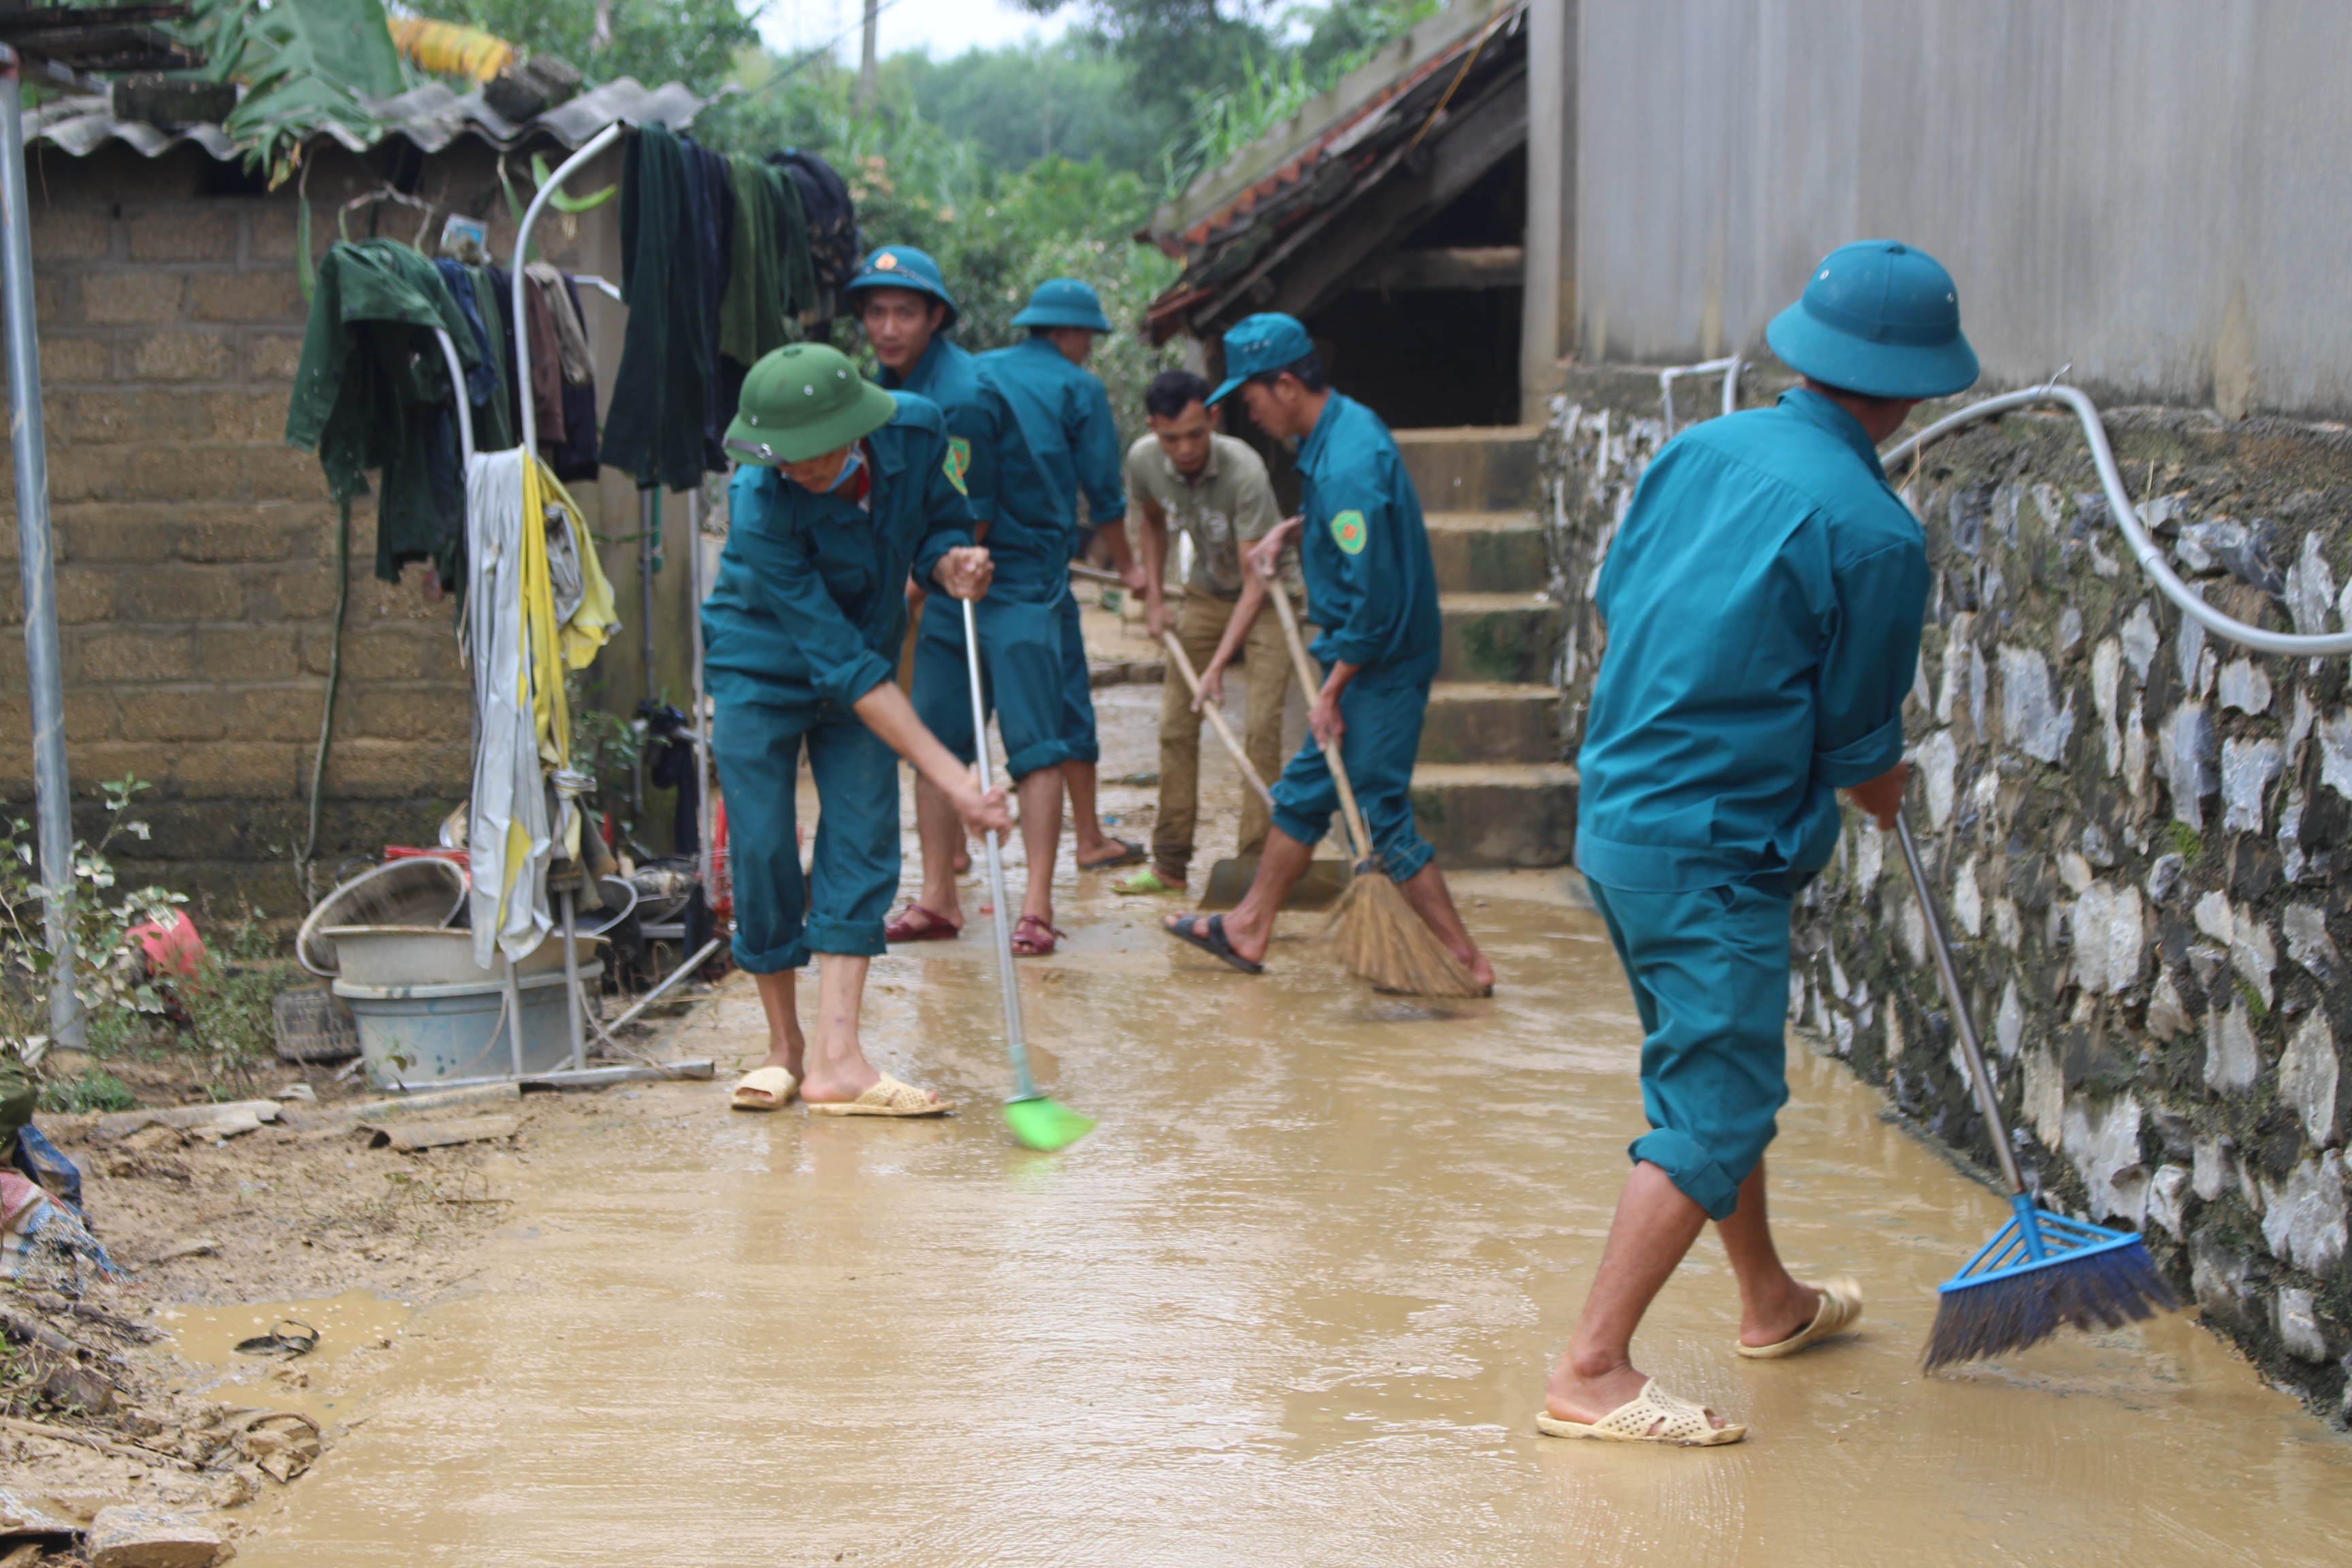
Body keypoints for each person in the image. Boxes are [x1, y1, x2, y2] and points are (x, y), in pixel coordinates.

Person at [1539, 240, 1972, 1448]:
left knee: (1709, 1074)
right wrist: (1882, 786)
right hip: (1715, 848)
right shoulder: (1874, 534)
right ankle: (1589, 1369)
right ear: (1915, 388)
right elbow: (1857, 744)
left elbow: (1619, 600)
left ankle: (1769, 1299)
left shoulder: (1700, 448)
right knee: (1719, 1104)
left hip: (1620, 818)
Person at [701, 343, 1013, 1117]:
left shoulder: (918, 430)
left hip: (866, 647)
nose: (797, 467)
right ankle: (785, 1046)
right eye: (782, 455)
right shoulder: (759, 502)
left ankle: (839, 1061)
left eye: (811, 451)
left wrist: (949, 564)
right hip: (761, 664)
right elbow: (839, 664)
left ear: (856, 428)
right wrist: (954, 778)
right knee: (763, 847)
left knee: (863, 834)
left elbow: (940, 524)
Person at [1160, 313, 1490, 991]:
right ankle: (1250, 924)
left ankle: (1463, 958)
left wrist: (1333, 689)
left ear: (1286, 385)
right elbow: (1359, 527)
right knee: (1306, 794)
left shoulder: (1344, 466)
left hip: (1378, 662)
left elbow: (1373, 602)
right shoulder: (1343, 431)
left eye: (1251, 398)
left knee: (1379, 813)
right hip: (1368, 652)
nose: (1250, 415)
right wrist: (1294, 529)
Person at [846, 246, 1075, 958]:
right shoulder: (882, 388)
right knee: (936, 739)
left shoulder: (961, 397)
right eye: (876, 312)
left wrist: (896, 599)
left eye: (905, 313)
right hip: (949, 580)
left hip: (1012, 575)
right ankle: (939, 898)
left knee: (1035, 744)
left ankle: (1036, 906)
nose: (889, 328)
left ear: (935, 318)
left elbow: (966, 527)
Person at [1114, 368, 1304, 896]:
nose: (1185, 449)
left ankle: (1255, 868)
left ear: (1214, 418)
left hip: (1270, 596)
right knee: (1176, 724)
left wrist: (1218, 666)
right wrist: (1156, 599)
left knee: (1261, 728)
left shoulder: (1244, 470)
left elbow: (1254, 581)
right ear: (1153, 428)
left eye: (1196, 434)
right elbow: (1152, 521)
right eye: (1171, 438)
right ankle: (1170, 864)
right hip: (1204, 593)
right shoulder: (1143, 460)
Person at [981, 278, 1147, 872]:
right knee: (1065, 703)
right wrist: (1129, 567)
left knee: (959, 708)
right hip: (1036, 573)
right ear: (1071, 333)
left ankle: (948, 863)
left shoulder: (978, 370)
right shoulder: (1080, 387)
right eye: (1089, 339)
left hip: (960, 564)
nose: (1089, 351)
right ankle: (1089, 839)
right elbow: (1104, 493)